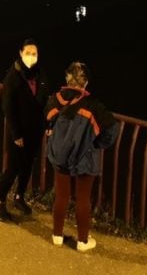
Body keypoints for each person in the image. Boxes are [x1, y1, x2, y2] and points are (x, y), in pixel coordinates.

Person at [44, 61, 118, 251]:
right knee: (83, 198)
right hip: (84, 157)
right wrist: (97, 144)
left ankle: (57, 235)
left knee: (62, 195)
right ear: (85, 83)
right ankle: (83, 241)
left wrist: (54, 134)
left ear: (67, 79)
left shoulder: (55, 99)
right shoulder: (93, 106)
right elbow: (111, 129)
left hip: (60, 155)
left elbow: (49, 119)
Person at [0, 38, 46, 221]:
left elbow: (43, 101)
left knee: (27, 166)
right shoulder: (13, 77)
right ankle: (0, 203)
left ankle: (19, 197)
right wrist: (16, 134)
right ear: (21, 53)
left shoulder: (37, 73)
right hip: (19, 132)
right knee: (13, 168)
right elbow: (7, 107)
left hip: (34, 130)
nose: (32, 57)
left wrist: (47, 125)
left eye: (35, 54)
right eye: (28, 53)